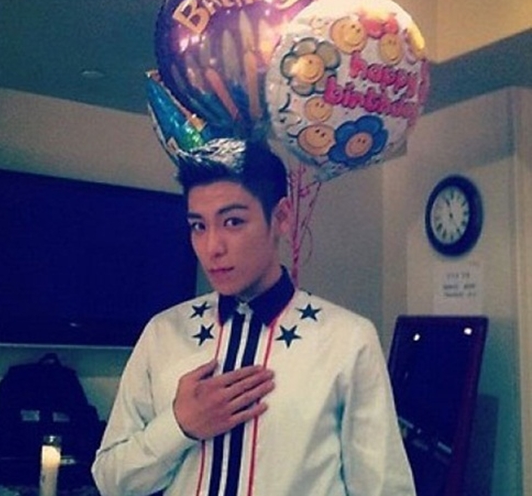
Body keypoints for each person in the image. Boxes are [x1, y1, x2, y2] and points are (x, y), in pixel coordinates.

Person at [91, 138, 415, 496]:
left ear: (281, 218)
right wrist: (180, 426)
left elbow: (386, 489)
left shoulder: (348, 340)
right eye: (198, 226)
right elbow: (110, 481)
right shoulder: (163, 332)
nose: (212, 247)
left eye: (233, 221)